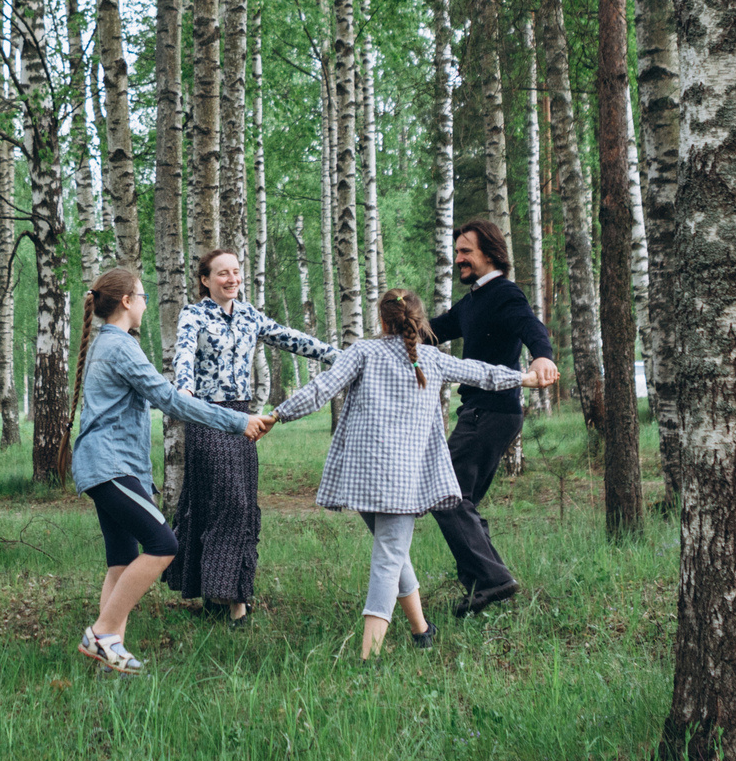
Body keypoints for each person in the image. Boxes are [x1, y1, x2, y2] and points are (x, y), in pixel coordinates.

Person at [266, 289, 526, 657]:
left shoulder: (363, 352)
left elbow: (321, 389)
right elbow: (483, 374)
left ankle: (422, 630)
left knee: (393, 550)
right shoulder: (433, 358)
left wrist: (277, 415)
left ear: (382, 320)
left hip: (362, 475)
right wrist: (525, 378)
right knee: (390, 555)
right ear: (420, 322)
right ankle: (366, 658)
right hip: (402, 480)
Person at [70, 266, 275, 674]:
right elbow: (170, 399)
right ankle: (102, 633)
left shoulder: (105, 343)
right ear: (127, 301)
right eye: (142, 296)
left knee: (122, 559)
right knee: (164, 543)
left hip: (106, 465)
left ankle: (110, 651)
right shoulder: (120, 346)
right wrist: (239, 421)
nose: (145, 303)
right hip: (110, 466)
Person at [168, 247, 340, 625]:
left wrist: (339, 356)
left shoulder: (248, 315)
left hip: (243, 416)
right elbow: (183, 355)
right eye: (222, 274)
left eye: (236, 272)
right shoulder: (193, 314)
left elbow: (290, 338)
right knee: (226, 502)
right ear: (205, 279)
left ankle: (220, 593)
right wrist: (183, 391)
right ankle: (233, 602)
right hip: (207, 416)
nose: (232, 279)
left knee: (237, 502)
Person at [427, 219, 560, 616]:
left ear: (490, 252)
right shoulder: (472, 302)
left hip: (493, 411)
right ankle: (480, 590)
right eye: (458, 251)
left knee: (444, 493)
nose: (459, 258)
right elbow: (433, 331)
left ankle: (492, 579)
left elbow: (529, 325)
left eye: (466, 251)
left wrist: (543, 354)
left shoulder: (504, 293)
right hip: (479, 411)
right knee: (460, 498)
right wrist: (395, 332)